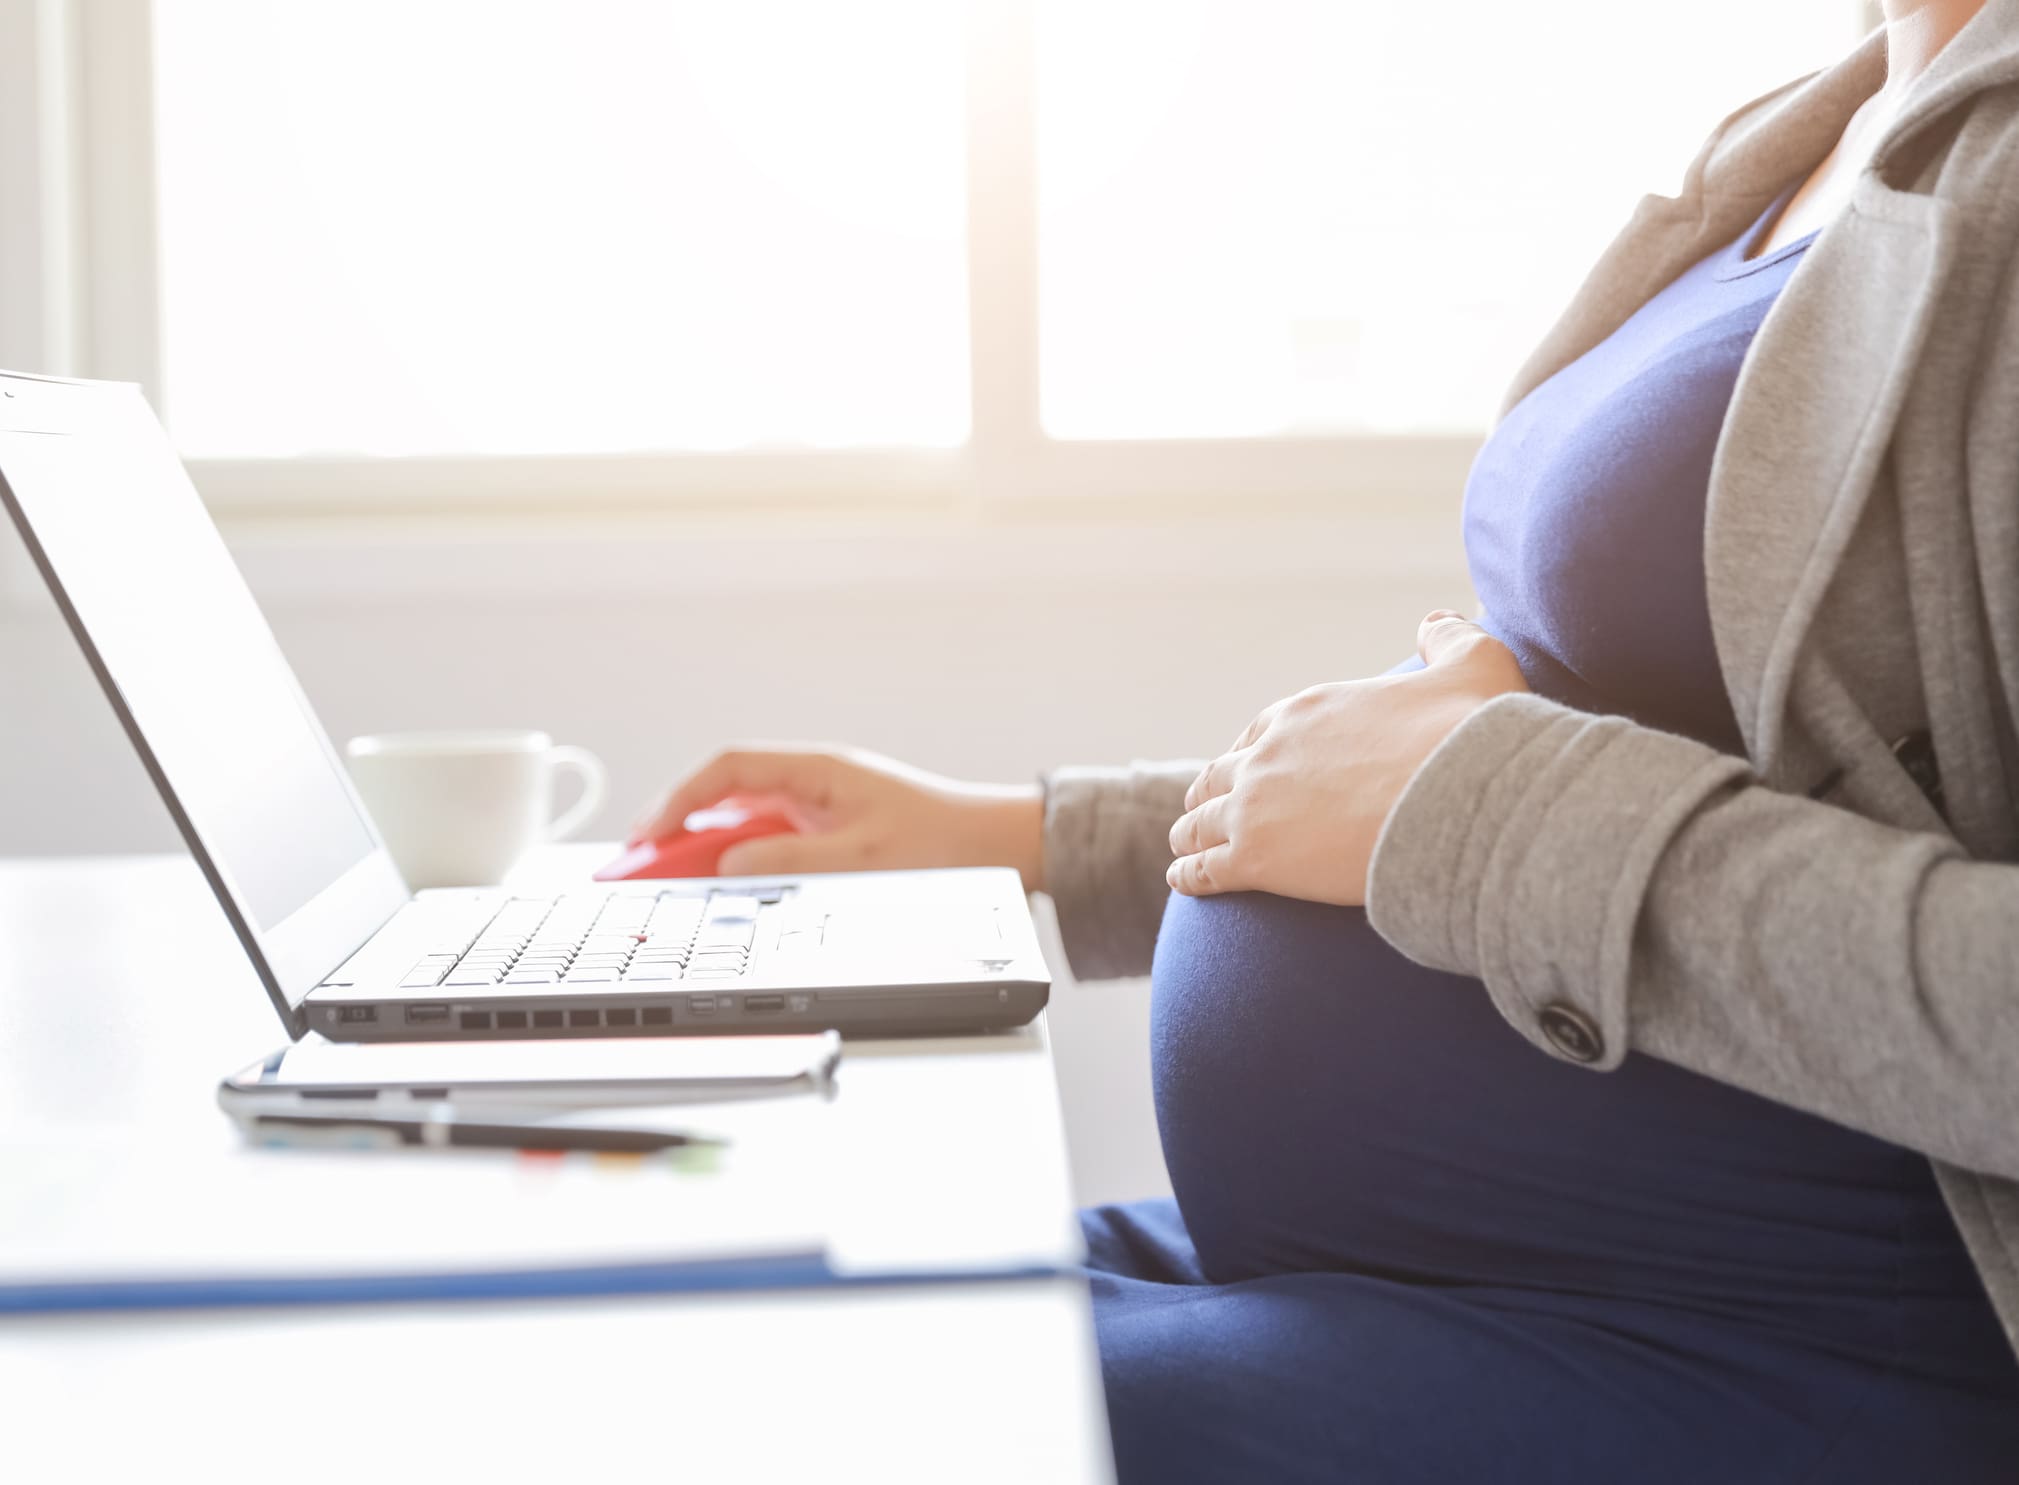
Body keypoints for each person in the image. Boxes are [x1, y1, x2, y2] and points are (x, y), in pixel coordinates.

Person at [630, 2, 2019, 1477]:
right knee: (684, 1291)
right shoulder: (1823, 117)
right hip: (1485, 1274)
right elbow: (1579, 735)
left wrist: (1492, 811)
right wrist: (1036, 840)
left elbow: (1492, 784)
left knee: (763, 1398)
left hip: (1788, 1352)